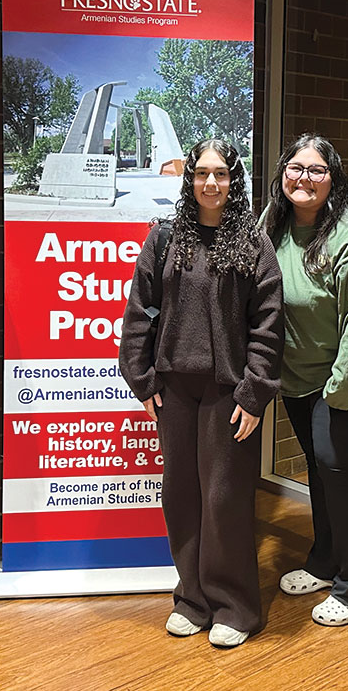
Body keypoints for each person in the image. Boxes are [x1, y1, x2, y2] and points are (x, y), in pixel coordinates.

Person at [119, 138, 283, 648]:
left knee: (225, 499)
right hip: (173, 390)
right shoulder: (165, 239)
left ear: (235, 181)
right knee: (181, 496)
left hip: (228, 393)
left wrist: (254, 394)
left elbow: (269, 324)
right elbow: (139, 312)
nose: (211, 183)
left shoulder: (253, 243)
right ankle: (192, 598)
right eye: (201, 173)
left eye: (222, 174)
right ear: (189, 179)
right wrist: (142, 380)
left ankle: (235, 605)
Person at [265, 134, 348, 627]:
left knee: (338, 470)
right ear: (283, 173)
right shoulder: (273, 224)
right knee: (318, 470)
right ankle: (325, 560)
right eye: (296, 167)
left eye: (317, 170)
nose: (304, 178)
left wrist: (340, 390)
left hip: (338, 382)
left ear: (333, 179)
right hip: (294, 377)